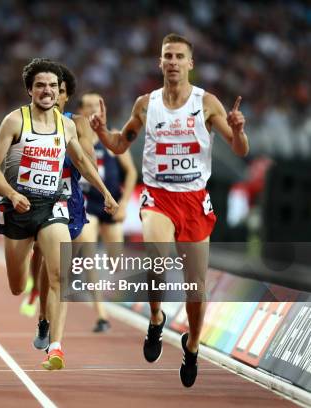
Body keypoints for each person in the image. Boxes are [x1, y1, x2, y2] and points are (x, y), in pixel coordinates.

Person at [90, 33, 249, 387]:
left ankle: (191, 344)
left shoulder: (206, 103)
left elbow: (239, 149)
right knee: (156, 262)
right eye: (168, 56)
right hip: (158, 196)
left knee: (196, 288)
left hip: (193, 200)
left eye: (179, 56)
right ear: (160, 63)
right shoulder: (146, 105)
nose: (173, 61)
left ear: (190, 63)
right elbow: (119, 143)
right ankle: (157, 316)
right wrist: (102, 132)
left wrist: (238, 131)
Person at [0, 58, 118, 370]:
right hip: (18, 208)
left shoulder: (66, 124)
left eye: (53, 87)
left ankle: (55, 347)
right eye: (41, 85)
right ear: (30, 90)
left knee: (60, 275)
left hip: (51, 206)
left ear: (60, 92)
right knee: (17, 286)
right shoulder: (14, 122)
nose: (47, 91)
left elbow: (83, 163)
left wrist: (106, 193)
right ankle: (38, 306)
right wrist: (13, 193)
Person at [20, 64, 99, 349]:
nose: (56, 94)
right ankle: (46, 322)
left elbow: (88, 158)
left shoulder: (75, 122)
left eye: (61, 91)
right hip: (44, 201)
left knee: (60, 270)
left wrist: (79, 139)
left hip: (72, 200)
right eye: (52, 88)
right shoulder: (31, 121)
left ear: (66, 96)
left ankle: (45, 316)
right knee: (47, 260)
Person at [79, 92, 138, 333]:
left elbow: (132, 173)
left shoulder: (113, 138)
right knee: (89, 254)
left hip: (111, 205)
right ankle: (101, 315)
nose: (94, 110)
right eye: (89, 106)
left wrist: (123, 204)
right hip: (87, 204)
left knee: (115, 260)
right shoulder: (76, 138)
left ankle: (111, 294)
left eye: (98, 106)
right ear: (81, 111)